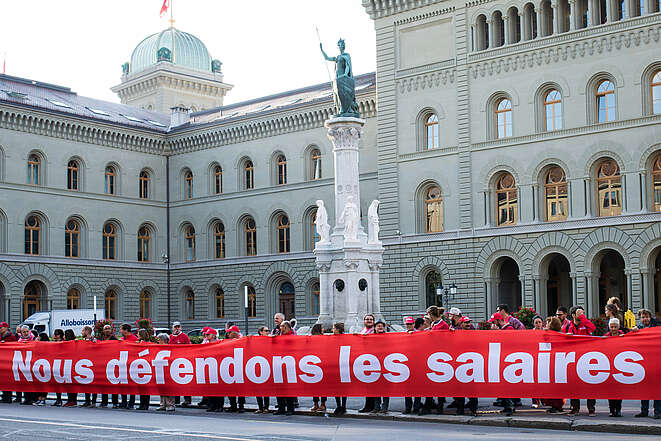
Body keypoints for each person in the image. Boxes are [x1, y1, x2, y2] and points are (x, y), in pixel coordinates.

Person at [565, 306, 596, 417]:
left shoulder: (586, 324)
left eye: (582, 313)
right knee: (573, 385)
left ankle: (591, 408)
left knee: (589, 384)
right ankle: (574, 408)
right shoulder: (568, 326)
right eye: (579, 313)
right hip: (573, 359)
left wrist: (582, 317)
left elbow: (593, 329)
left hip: (587, 358)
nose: (581, 315)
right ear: (573, 315)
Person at [632, 309, 661, 419]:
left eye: (646, 317)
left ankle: (658, 411)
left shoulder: (657, 328)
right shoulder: (639, 329)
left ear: (650, 317)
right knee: (645, 389)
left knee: (657, 389)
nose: (645, 319)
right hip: (643, 363)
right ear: (640, 319)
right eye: (643, 317)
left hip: (656, 362)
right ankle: (644, 410)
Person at [488, 313, 516, 416]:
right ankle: (506, 405)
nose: (493, 325)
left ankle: (510, 406)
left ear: (498, 321)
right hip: (503, 360)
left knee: (506, 386)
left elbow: (508, 344)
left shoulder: (509, 329)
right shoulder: (504, 329)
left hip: (508, 361)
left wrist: (497, 333)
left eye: (494, 322)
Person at [168, 321, 192, 407]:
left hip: (183, 361)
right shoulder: (170, 337)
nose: (177, 329)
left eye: (178, 327)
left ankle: (187, 399)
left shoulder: (184, 336)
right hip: (174, 362)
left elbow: (189, 346)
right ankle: (176, 399)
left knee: (185, 381)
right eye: (175, 327)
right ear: (173, 328)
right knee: (175, 381)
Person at [275, 321, 295, 415]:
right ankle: (281, 408)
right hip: (279, 364)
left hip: (289, 364)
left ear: (287, 327)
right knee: (279, 388)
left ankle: (290, 408)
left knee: (289, 389)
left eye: (282, 326)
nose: (280, 328)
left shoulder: (292, 337)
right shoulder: (278, 335)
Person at [605, 318, 624, 417]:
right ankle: (612, 410)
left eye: (615, 326)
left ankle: (619, 409)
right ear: (609, 327)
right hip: (609, 365)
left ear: (618, 327)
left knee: (619, 390)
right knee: (610, 390)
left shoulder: (624, 335)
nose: (613, 329)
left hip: (620, 366)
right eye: (611, 327)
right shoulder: (605, 337)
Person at [98, 325, 119, 408]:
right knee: (104, 384)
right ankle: (104, 401)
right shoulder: (102, 340)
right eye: (105, 329)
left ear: (111, 330)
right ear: (103, 331)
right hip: (103, 364)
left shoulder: (115, 340)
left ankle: (115, 402)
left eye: (108, 329)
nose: (107, 330)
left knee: (113, 384)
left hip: (113, 364)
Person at [371, 321, 390, 415]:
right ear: (374, 328)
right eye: (378, 326)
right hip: (375, 366)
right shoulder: (371, 338)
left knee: (385, 389)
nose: (380, 327)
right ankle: (376, 406)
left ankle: (385, 407)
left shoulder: (388, 337)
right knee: (375, 388)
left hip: (385, 365)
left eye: (382, 326)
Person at [118, 323, 137, 409]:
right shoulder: (121, 339)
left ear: (126, 330)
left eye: (121, 329)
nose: (120, 331)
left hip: (131, 365)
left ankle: (131, 402)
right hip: (123, 364)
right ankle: (124, 401)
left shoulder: (134, 339)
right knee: (123, 384)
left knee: (131, 384)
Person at [309, 324, 327, 413]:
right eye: (322, 328)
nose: (323, 329)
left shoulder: (324, 338)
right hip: (314, 364)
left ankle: (320, 404)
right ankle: (319, 404)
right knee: (315, 386)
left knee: (321, 386)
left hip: (321, 364)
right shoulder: (311, 339)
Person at [155, 333, 175, 412]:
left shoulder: (170, 348)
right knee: (162, 388)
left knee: (169, 388)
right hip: (160, 370)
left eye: (158, 340)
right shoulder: (158, 348)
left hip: (168, 370)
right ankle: (162, 404)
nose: (157, 341)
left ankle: (170, 404)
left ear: (162, 340)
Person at [331, 322, 348, 416]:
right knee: (336, 388)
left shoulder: (345, 338)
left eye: (334, 328)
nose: (332, 330)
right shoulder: (331, 338)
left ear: (338, 329)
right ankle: (338, 406)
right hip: (335, 365)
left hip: (343, 365)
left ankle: (343, 406)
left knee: (343, 388)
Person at [254, 325, 271, 414]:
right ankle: (260, 407)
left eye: (268, 331)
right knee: (258, 389)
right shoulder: (255, 341)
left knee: (266, 389)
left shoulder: (270, 340)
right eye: (266, 331)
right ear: (261, 332)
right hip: (257, 366)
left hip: (266, 366)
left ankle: (266, 407)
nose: (268, 332)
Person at [80, 326, 98, 408]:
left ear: (87, 331)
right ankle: (87, 400)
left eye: (83, 331)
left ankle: (93, 401)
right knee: (86, 383)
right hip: (84, 364)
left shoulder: (94, 340)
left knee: (93, 384)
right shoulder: (82, 341)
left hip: (93, 365)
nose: (81, 332)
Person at [1, 321, 17, 404]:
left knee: (8, 379)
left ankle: (8, 397)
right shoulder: (1, 337)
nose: (0, 329)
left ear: (6, 328)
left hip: (9, 361)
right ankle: (4, 395)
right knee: (3, 379)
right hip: (2, 361)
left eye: (1, 327)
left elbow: (15, 346)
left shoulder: (11, 337)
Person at [136, 328, 152, 411]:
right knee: (141, 387)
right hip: (139, 367)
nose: (137, 335)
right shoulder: (138, 343)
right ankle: (142, 404)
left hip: (146, 367)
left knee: (146, 387)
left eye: (138, 334)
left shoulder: (147, 344)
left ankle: (146, 404)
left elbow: (147, 353)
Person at [62, 329, 78, 407]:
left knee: (71, 384)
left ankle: (72, 400)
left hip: (71, 366)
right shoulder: (72, 342)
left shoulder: (73, 343)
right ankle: (71, 400)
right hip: (70, 365)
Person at [50, 328, 65, 406]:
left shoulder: (64, 342)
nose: (55, 336)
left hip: (63, 364)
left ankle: (68, 399)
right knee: (56, 383)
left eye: (57, 334)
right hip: (55, 364)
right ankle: (58, 399)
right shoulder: (53, 343)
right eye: (54, 334)